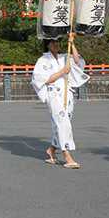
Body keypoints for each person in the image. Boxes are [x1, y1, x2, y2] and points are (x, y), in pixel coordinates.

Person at [31, 33, 88, 169]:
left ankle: (51, 150)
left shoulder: (64, 57)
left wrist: (72, 43)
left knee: (64, 121)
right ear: (48, 44)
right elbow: (44, 80)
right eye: (53, 42)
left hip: (66, 93)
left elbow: (78, 61)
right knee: (63, 123)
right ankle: (67, 155)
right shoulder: (43, 60)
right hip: (54, 95)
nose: (56, 44)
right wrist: (63, 71)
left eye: (57, 42)